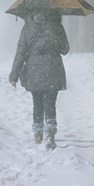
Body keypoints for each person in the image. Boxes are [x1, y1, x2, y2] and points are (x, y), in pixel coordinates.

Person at [8, 9, 69, 149]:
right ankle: (50, 134)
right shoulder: (57, 26)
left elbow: (21, 52)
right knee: (50, 101)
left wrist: (14, 75)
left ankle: (38, 134)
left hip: (34, 69)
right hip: (53, 67)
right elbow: (65, 49)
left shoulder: (27, 28)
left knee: (37, 101)